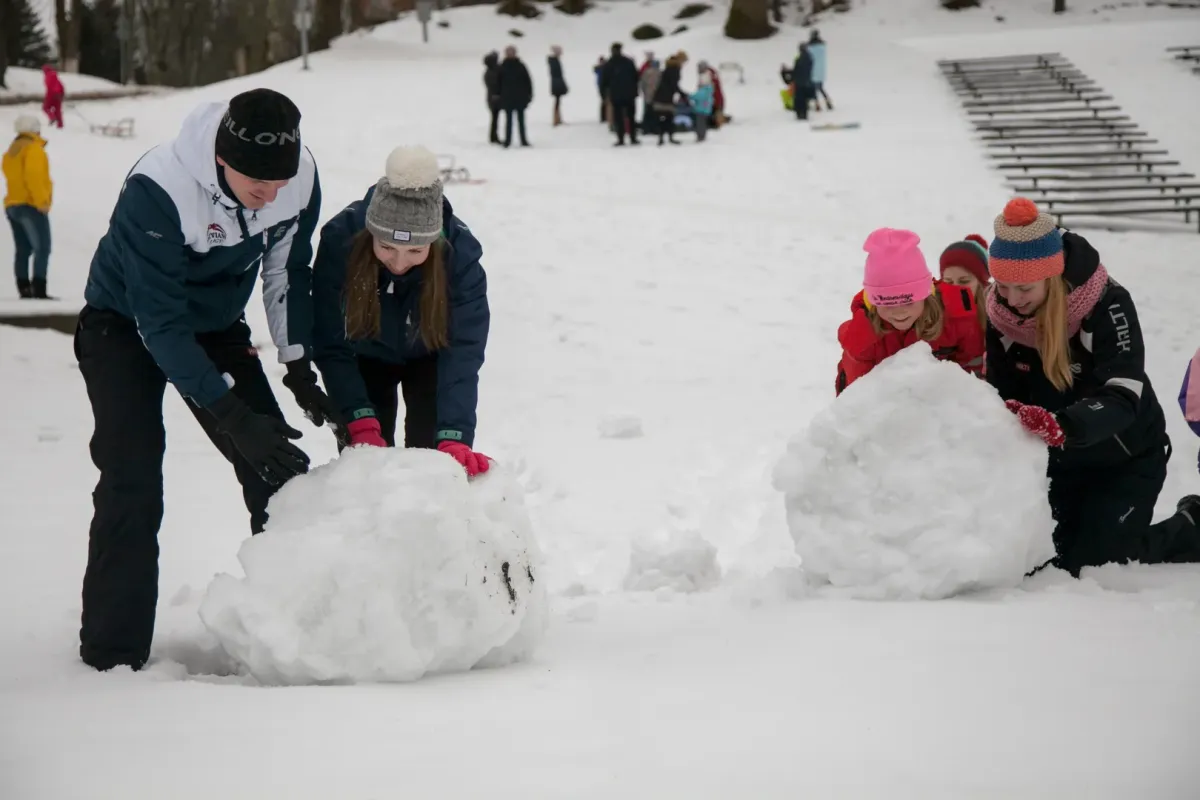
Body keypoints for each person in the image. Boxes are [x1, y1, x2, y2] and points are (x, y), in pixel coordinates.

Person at [74, 89, 334, 672]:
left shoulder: (298, 180)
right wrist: (231, 414)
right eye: (255, 183)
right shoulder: (159, 187)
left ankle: (301, 628)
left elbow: (286, 270)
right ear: (221, 159)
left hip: (216, 325)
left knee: (279, 470)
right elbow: (159, 325)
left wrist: (297, 367)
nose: (269, 195)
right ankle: (111, 657)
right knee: (132, 479)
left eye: (279, 182)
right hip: (124, 327)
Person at [985, 198, 1200, 576]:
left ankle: (1191, 527)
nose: (1011, 300)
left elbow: (1123, 393)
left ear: (1050, 279)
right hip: (1059, 462)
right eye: (1002, 286)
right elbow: (1002, 393)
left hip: (1124, 457)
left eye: (1024, 288)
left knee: (1095, 561)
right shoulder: (1000, 314)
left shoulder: (1107, 304)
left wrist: (1064, 425)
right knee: (1043, 557)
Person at [311, 146, 491, 476]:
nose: (398, 262)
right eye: (387, 247)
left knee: (431, 462)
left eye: (415, 250)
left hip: (430, 357)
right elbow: (328, 338)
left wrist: (454, 434)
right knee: (367, 466)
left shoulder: (460, 254)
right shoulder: (342, 239)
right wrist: (357, 415)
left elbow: (465, 350)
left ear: (433, 241)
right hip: (365, 356)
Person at [836, 228, 985, 395]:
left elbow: (972, 373)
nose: (899, 312)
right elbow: (858, 399)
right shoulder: (863, 338)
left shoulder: (957, 316)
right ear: (874, 302)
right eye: (888, 303)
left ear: (925, 294)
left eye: (908, 301)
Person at [3, 114, 53, 299]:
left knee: (23, 249)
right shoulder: (33, 149)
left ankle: (24, 287)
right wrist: (42, 202)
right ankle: (39, 289)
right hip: (30, 205)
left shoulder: (11, 152)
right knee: (43, 247)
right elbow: (34, 177)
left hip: (12, 205)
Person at [939, 234, 990, 332]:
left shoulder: (999, 316)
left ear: (981, 283)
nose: (955, 288)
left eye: (964, 281)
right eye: (948, 281)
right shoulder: (932, 315)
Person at [600, 42, 640, 146]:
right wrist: (635, 90)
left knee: (618, 118)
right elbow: (636, 77)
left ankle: (621, 138)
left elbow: (604, 82)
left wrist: (604, 96)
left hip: (616, 95)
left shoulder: (609, 64)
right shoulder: (628, 62)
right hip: (629, 94)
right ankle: (633, 137)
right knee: (631, 116)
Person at [497, 46, 533, 148]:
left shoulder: (521, 66)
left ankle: (523, 140)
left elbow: (528, 81)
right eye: (509, 52)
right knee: (508, 121)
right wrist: (498, 96)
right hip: (507, 98)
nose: (510, 54)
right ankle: (507, 141)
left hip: (520, 98)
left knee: (521, 121)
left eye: (512, 52)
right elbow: (498, 83)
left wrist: (529, 95)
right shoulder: (502, 67)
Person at [651, 52, 689, 146]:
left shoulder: (669, 67)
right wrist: (683, 95)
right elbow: (674, 85)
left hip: (660, 96)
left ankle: (661, 138)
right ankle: (670, 137)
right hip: (667, 97)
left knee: (662, 118)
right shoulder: (675, 69)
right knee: (669, 117)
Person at [807, 30, 833, 111]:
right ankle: (827, 101)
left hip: (813, 70)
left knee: (813, 88)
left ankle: (817, 104)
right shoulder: (822, 45)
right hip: (821, 70)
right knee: (821, 88)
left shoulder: (810, 46)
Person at [690, 72, 714, 142]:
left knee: (700, 124)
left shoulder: (703, 91)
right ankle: (702, 135)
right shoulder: (709, 90)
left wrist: (689, 96)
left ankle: (700, 136)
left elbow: (696, 96)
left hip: (700, 110)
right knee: (703, 124)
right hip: (706, 110)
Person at [483, 51, 501, 144]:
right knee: (495, 118)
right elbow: (494, 84)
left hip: (491, 98)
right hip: (494, 98)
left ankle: (493, 136)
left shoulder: (489, 71)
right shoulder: (493, 71)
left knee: (494, 118)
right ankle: (493, 136)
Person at [792, 44, 814, 121]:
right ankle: (804, 114)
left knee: (799, 98)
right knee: (805, 99)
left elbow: (796, 70)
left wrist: (793, 77)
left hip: (800, 81)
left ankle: (800, 114)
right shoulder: (810, 58)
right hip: (807, 81)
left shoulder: (799, 59)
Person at [548, 46, 568, 127]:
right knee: (557, 101)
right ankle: (556, 119)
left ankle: (558, 118)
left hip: (557, 82)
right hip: (556, 83)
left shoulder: (555, 61)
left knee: (558, 101)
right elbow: (557, 74)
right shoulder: (554, 61)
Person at [42, 65, 64, 129]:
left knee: (45, 108)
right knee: (58, 111)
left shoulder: (48, 76)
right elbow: (61, 85)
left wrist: (53, 93)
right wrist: (62, 94)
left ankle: (52, 117)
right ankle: (60, 125)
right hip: (59, 95)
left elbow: (50, 86)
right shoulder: (55, 76)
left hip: (51, 95)